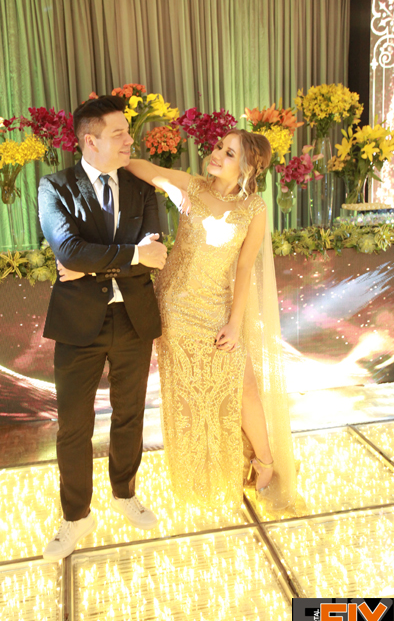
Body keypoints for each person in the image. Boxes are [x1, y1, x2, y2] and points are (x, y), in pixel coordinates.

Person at [59, 128, 296, 511]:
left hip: (217, 307)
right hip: (175, 307)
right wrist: (163, 183)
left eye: (229, 153)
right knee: (190, 394)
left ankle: (263, 463)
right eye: (219, 146)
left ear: (248, 168)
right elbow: (137, 166)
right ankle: (202, 474)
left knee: (243, 384)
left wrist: (235, 322)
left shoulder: (254, 208)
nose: (216, 153)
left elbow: (244, 268)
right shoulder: (193, 185)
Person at [38, 95, 168, 561]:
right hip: (78, 325)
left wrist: (93, 264)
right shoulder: (54, 187)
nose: (130, 140)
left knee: (129, 415)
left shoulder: (140, 186)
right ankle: (76, 516)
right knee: (74, 425)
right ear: (90, 141)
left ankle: (124, 493)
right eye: (119, 133)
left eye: (128, 131)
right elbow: (68, 250)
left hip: (134, 318)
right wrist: (130, 254)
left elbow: (156, 253)